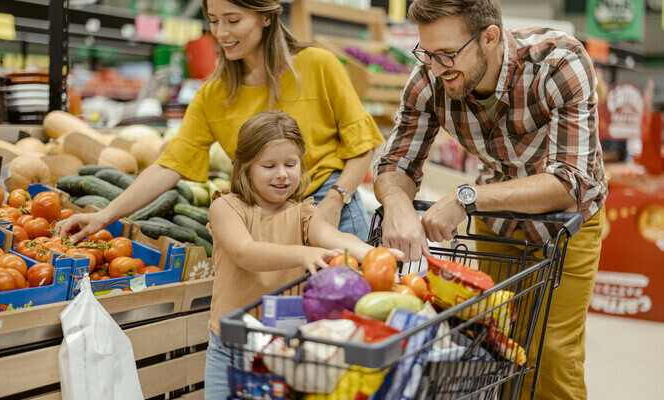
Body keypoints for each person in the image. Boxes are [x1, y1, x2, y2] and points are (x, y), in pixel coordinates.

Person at [373, 0, 607, 399]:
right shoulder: (429, 80)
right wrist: (397, 205)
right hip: (497, 224)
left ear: (490, 37)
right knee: (497, 343)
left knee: (550, 354)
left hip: (567, 226)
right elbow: (395, 163)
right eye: (426, 54)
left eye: (447, 54)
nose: (435, 67)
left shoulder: (559, 62)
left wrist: (467, 197)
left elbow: (571, 182)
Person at [57, 0, 383, 244]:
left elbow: (362, 145)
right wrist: (105, 215)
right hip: (264, 219)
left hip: (330, 207)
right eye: (213, 20)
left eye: (233, 20)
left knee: (337, 322)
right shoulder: (214, 95)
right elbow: (169, 166)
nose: (221, 33)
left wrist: (334, 201)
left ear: (267, 16)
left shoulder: (317, 65)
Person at [205, 110, 399, 400]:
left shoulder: (303, 212)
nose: (282, 174)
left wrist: (375, 255)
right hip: (229, 346)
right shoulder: (227, 207)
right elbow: (244, 252)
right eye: (269, 165)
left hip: (284, 350)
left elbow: (334, 237)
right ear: (245, 168)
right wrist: (303, 253)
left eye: (291, 164)